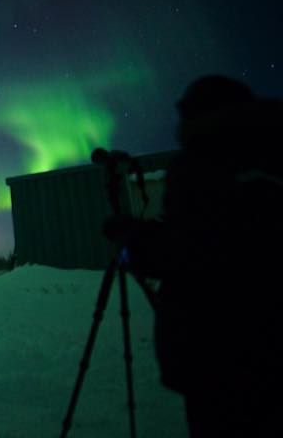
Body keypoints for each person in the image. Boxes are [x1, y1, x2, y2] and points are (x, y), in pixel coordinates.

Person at [103, 75, 282, 437]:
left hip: (220, 352)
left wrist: (134, 240)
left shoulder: (207, 166)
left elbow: (195, 251)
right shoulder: (264, 160)